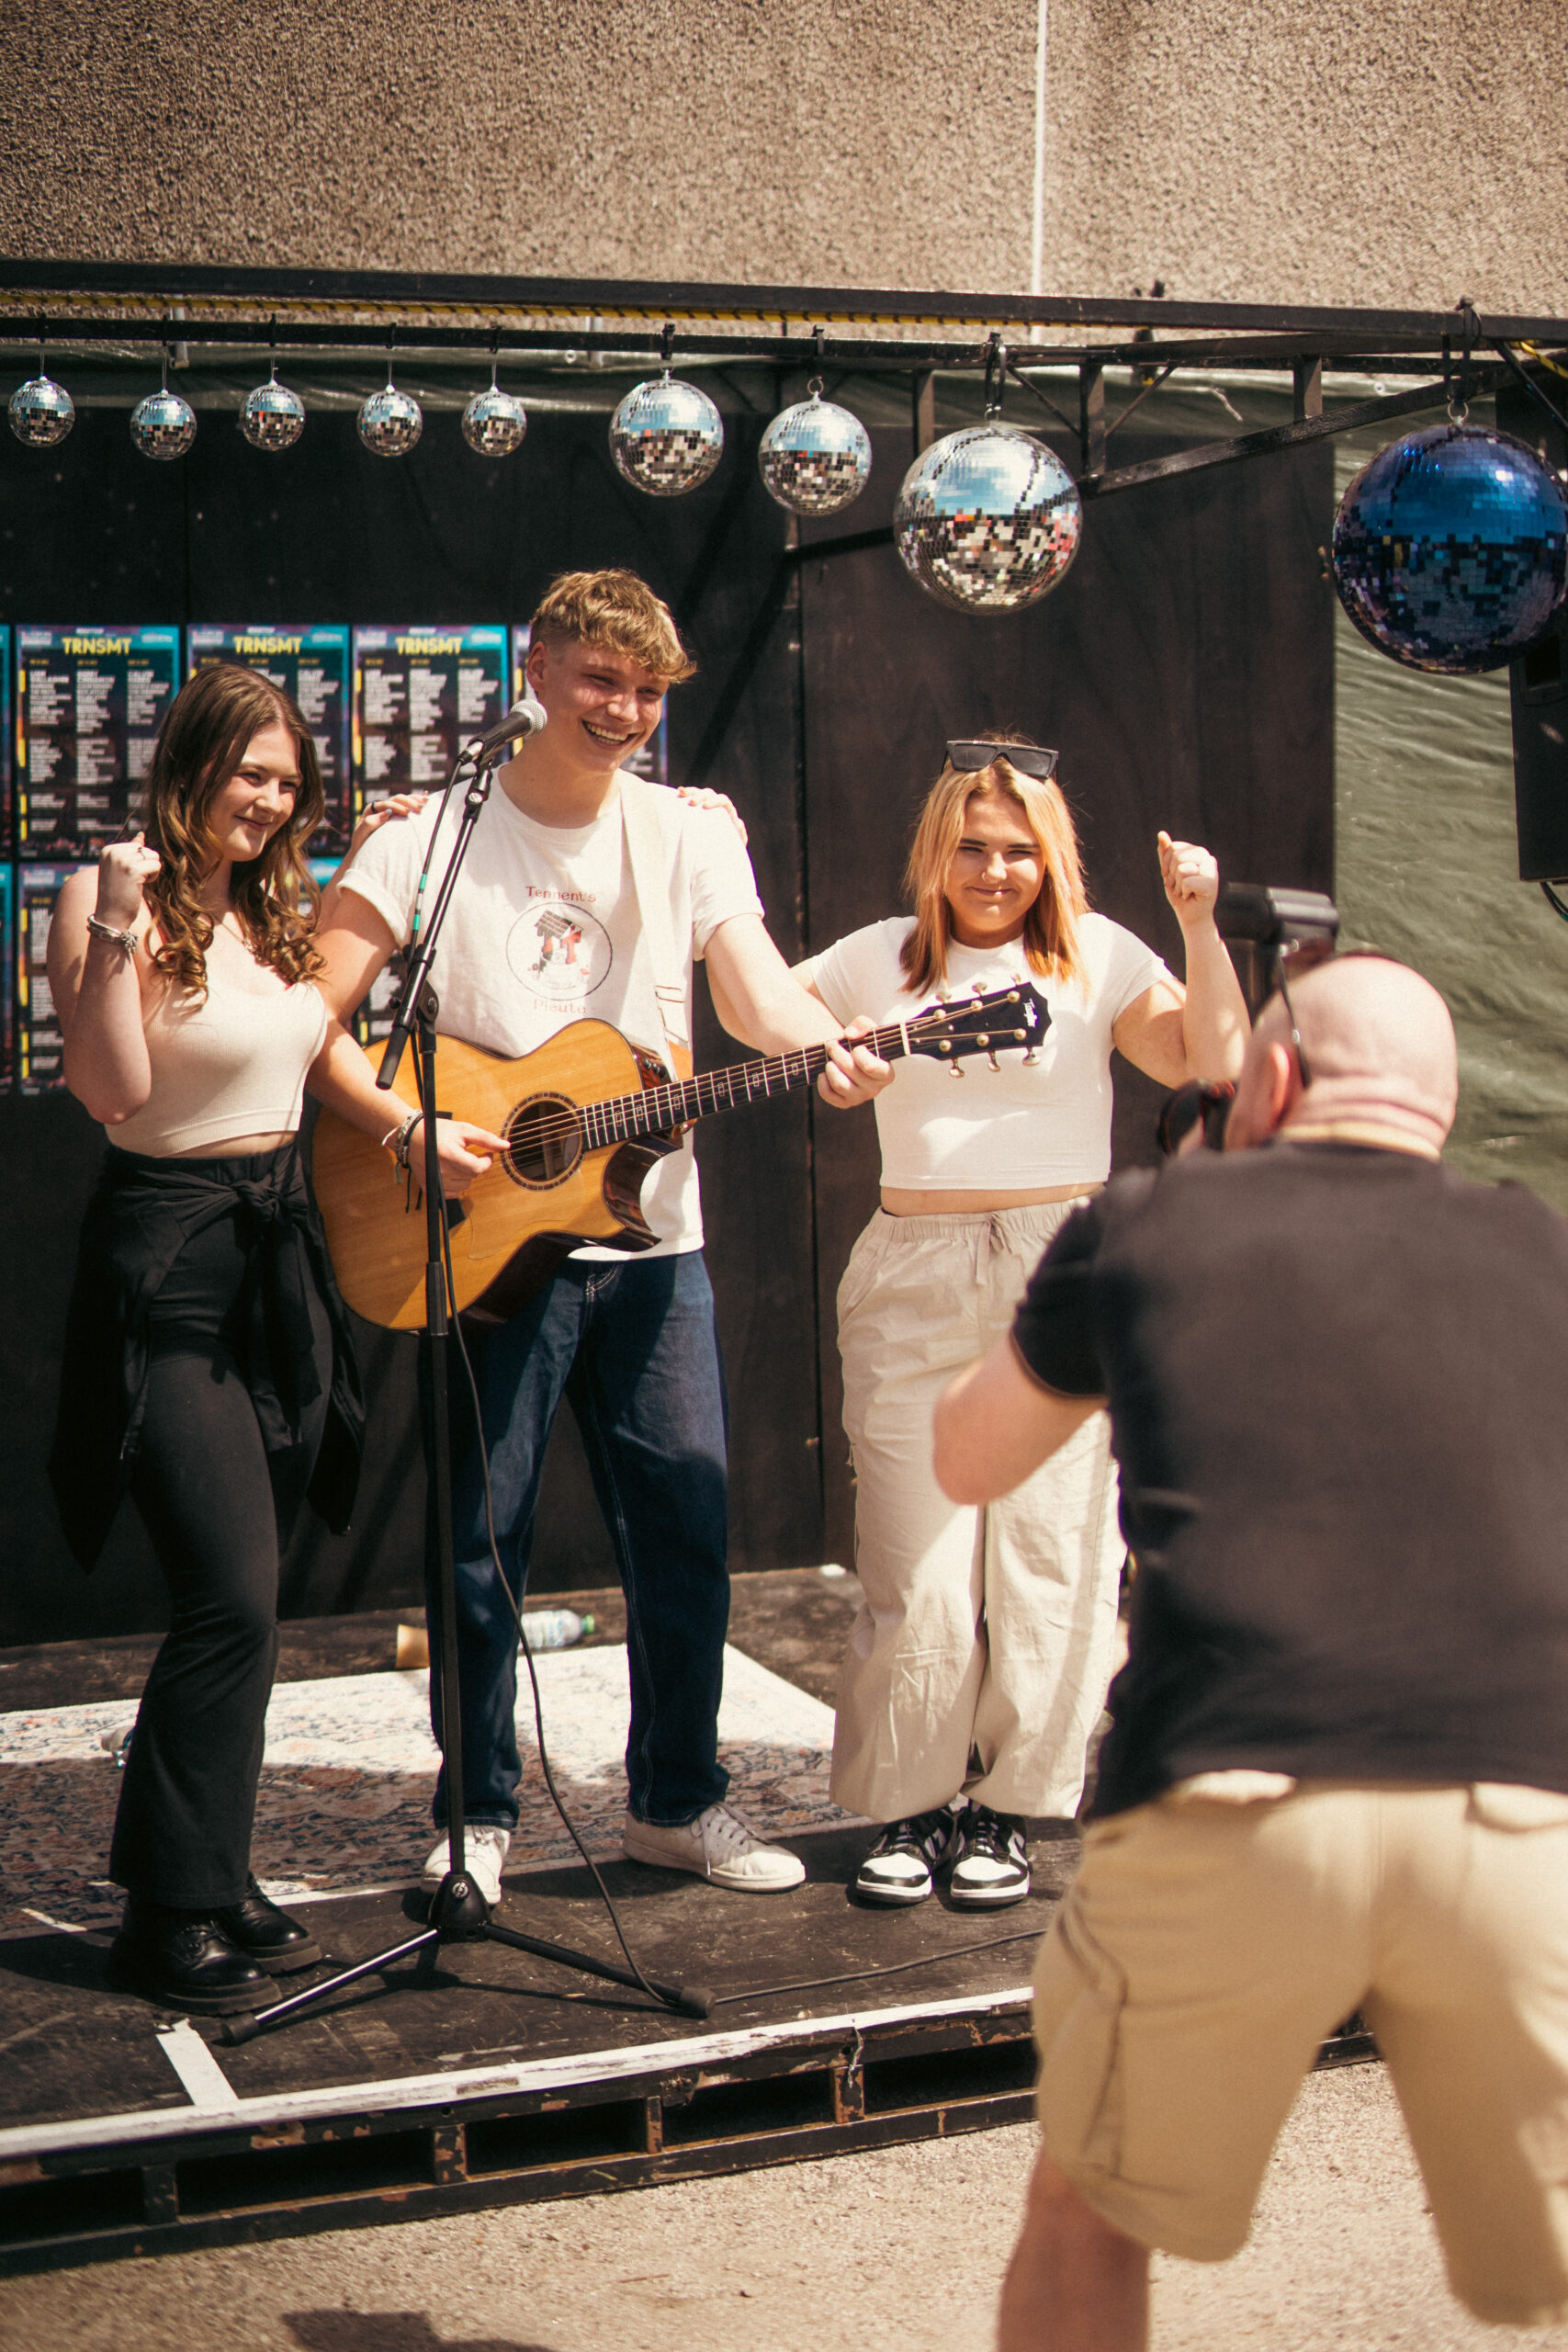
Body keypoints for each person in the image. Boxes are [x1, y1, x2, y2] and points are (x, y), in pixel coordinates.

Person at [933, 953, 1568, 2346]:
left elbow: (968, 1456)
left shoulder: (1147, 1221)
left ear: (1267, 1080)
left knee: (1085, 2212)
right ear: (1440, 1115)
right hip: (1525, 1808)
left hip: (1229, 1790)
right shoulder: (1539, 1250)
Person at [308, 568, 888, 1908]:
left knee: (683, 1526)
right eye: (598, 681)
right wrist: (404, 1130)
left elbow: (751, 990)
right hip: (481, 1231)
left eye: (645, 690)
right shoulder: (429, 837)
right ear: (537, 670)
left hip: (650, 1246)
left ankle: (676, 1805)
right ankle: (476, 1815)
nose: (622, 709)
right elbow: (311, 1015)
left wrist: (827, 1050)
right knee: (479, 1541)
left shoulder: (686, 832)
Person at [794, 739, 1247, 1909]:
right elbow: (760, 1009)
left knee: (1056, 1558)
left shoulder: (1098, 954)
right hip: (912, 1273)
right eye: (974, 848)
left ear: (1053, 861)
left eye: (1020, 852)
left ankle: (1008, 1809)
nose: (996, 871)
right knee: (919, 1567)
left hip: (1061, 1267)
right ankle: (914, 1801)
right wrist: (822, 1061)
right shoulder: (874, 957)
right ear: (937, 851)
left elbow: (1216, 1058)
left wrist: (1199, 922)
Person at [44, 663, 422, 2014]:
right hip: (172, 1266)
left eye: (285, 779)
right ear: (190, 763)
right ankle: (162, 1915)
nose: (266, 799)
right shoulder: (108, 896)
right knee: (230, 1601)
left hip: (278, 1254)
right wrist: (116, 936)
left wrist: (411, 1131)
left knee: (255, 1610)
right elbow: (109, 1089)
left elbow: (313, 1048)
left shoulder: (275, 910)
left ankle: (215, 1866)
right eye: (247, 772)